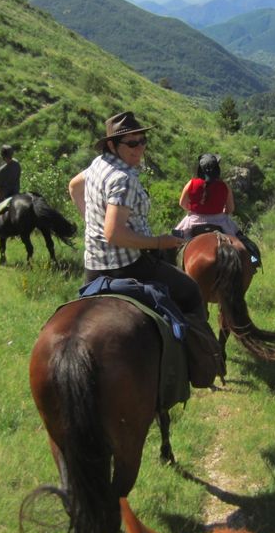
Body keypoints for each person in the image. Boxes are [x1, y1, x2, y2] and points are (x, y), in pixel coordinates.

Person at [68, 111, 224, 388]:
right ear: (113, 145)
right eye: (132, 143)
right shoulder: (123, 178)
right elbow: (114, 233)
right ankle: (198, 364)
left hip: (93, 267)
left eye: (143, 141)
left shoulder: (97, 164)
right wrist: (159, 242)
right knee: (189, 290)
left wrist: (91, 224)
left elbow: (74, 186)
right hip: (128, 264)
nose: (140, 148)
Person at [174, 153, 262, 267]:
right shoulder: (224, 186)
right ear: (217, 170)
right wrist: (222, 212)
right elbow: (230, 209)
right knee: (242, 240)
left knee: (173, 241)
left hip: (194, 220)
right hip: (220, 220)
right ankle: (254, 259)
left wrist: (192, 210)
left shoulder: (191, 183)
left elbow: (182, 203)